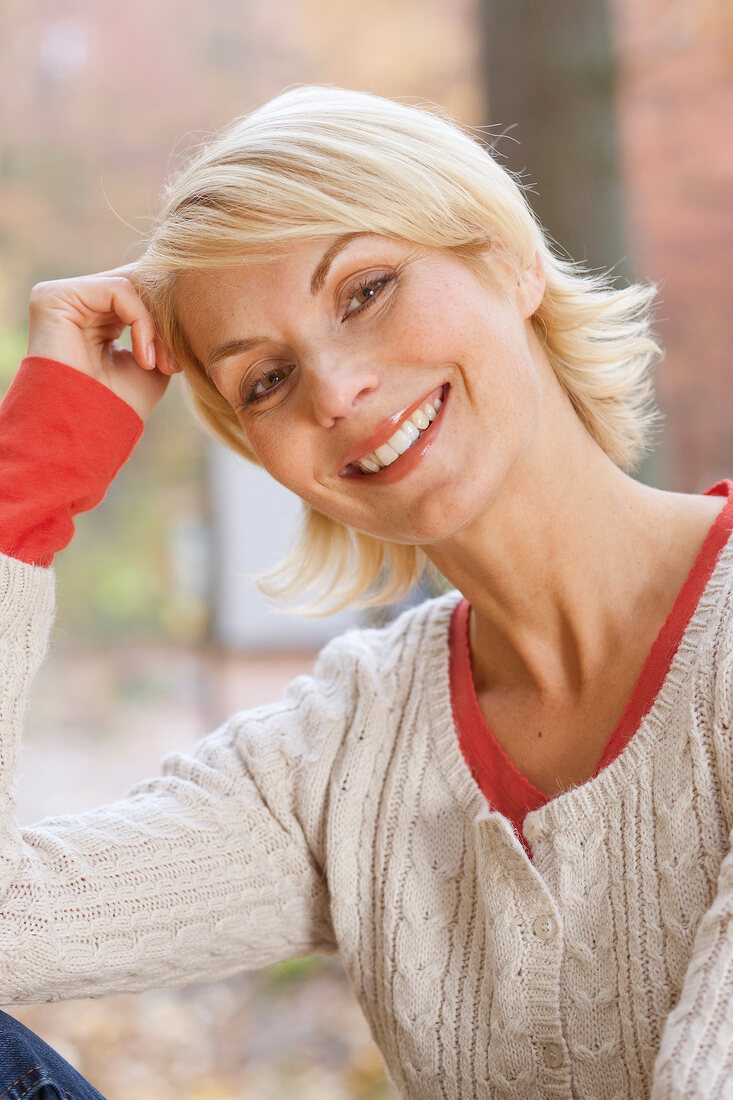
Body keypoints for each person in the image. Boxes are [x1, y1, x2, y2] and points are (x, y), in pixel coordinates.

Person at [0, 84, 731, 1100]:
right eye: (264, 381)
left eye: (365, 289)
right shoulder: (350, 746)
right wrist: (30, 479)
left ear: (507, 256)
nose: (335, 391)